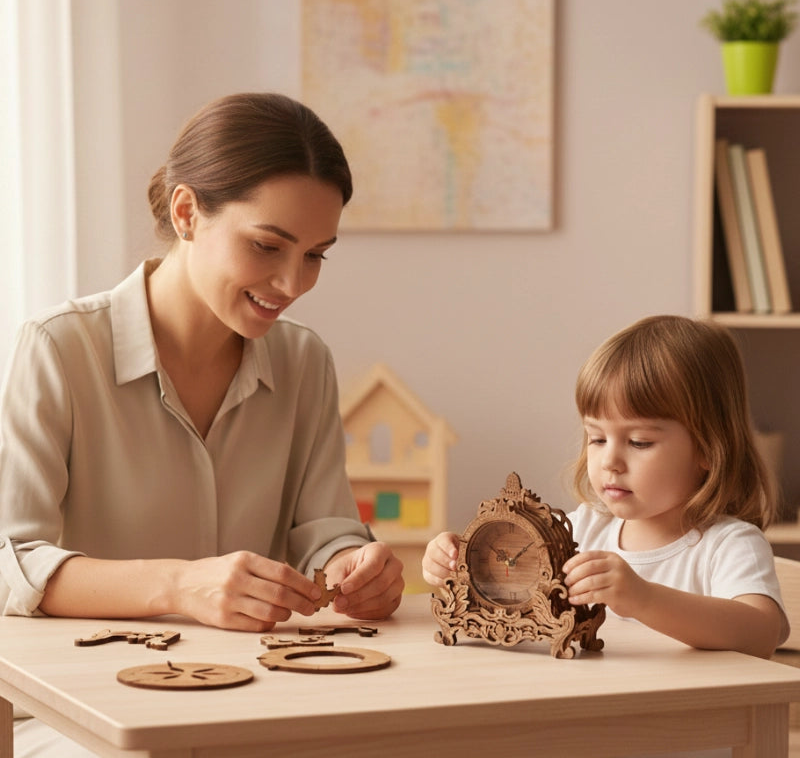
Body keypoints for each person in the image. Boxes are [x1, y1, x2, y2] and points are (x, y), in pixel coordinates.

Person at [2, 91, 404, 756]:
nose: (292, 282)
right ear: (187, 213)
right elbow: (9, 562)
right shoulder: (59, 348)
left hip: (260, 700)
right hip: (82, 713)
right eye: (267, 246)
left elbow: (322, 529)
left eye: (315, 255)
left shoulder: (304, 360)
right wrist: (179, 585)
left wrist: (355, 568)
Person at [423, 315, 788, 660]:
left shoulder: (728, 545)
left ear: (707, 449)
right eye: (597, 438)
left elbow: (761, 632)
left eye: (640, 442)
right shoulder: (583, 530)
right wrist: (459, 562)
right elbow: (513, 574)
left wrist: (644, 599)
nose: (610, 461)